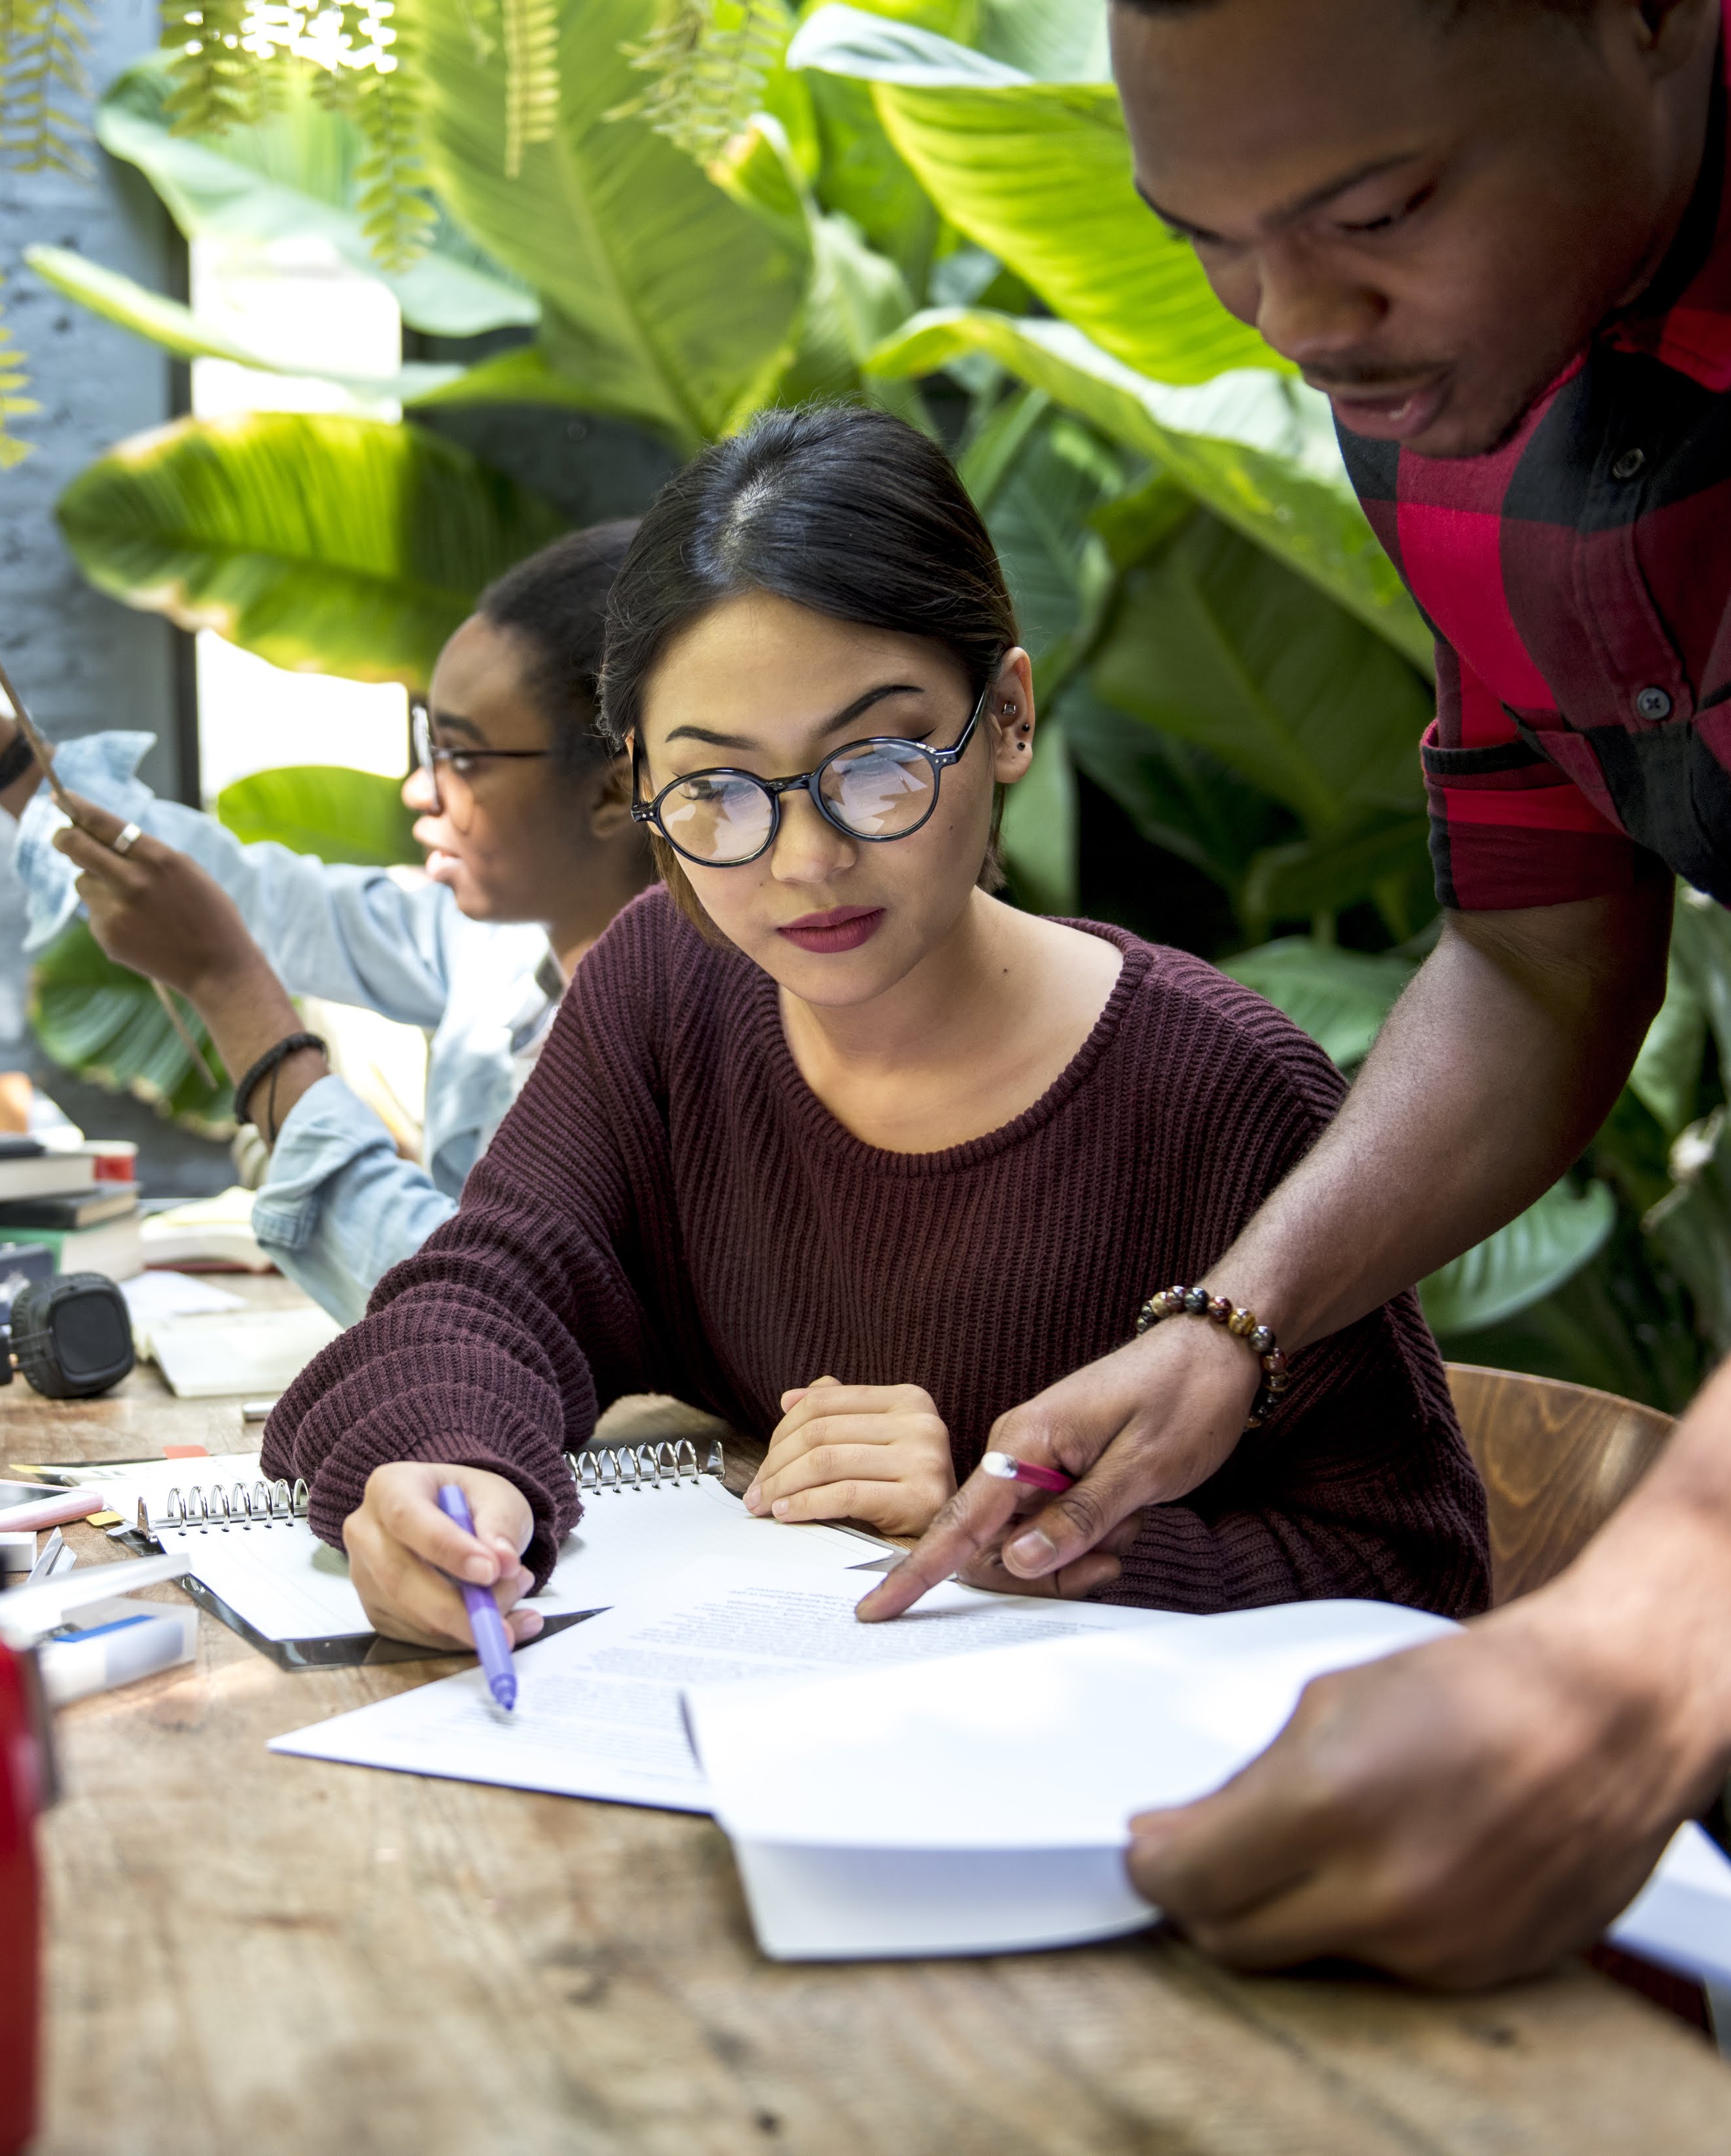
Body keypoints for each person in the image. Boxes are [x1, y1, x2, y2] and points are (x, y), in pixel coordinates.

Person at [849, 1, 1731, 2144]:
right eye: (1206, 238)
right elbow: (1526, 959)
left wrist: (1649, 1636)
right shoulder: (1437, 375)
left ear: (1641, 22)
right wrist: (1229, 1320)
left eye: (1374, 213)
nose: (1294, 317)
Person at [251, 405, 1487, 1650]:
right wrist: (451, 1475)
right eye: (716, 788)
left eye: (878, 759)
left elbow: (1414, 1571)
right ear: (639, 782)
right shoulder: (668, 984)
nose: (805, 858)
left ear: (1006, 715)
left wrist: (1003, 1537)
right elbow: (488, 1291)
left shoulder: (1214, 1089)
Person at [0, 383, 658, 1323]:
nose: (420, 789)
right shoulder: (498, 952)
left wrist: (233, 992)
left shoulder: (686, 1043)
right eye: (430, 746)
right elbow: (215, 877)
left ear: (609, 788)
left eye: (462, 756)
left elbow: (474, 1310)